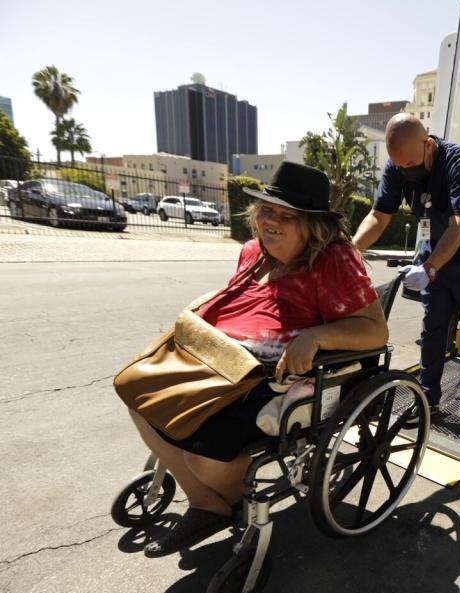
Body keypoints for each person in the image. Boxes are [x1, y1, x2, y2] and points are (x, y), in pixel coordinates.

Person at [129, 162, 386, 557]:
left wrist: (317, 335)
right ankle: (207, 502)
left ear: (313, 225)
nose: (272, 221)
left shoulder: (334, 261)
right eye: (267, 210)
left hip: (274, 376)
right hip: (219, 362)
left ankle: (221, 498)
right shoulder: (253, 251)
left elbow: (375, 331)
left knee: (200, 444)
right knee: (139, 394)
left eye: (288, 216)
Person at [353, 114, 460, 419]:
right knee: (434, 325)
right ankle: (428, 396)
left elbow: (458, 226)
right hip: (434, 250)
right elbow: (379, 216)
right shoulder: (399, 165)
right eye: (399, 166)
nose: (406, 172)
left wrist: (429, 268)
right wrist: (350, 252)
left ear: (428, 145)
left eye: (410, 165)